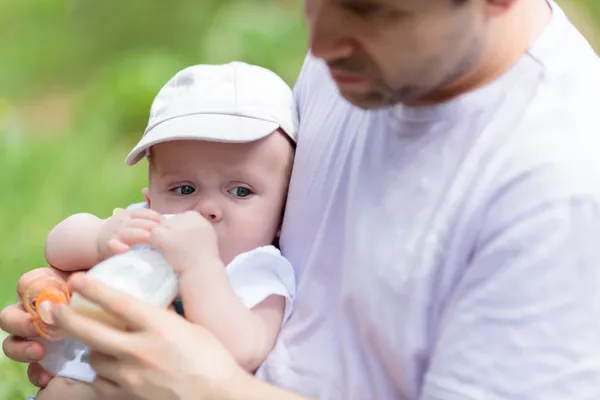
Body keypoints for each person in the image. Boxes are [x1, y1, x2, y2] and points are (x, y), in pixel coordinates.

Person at [3, 0, 600, 398]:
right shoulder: (363, 62)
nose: (320, 41)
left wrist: (211, 389)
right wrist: (100, 294)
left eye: (372, 9)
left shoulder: (559, 192)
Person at [20, 61, 298, 400]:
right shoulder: (148, 229)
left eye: (240, 191)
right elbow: (58, 246)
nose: (206, 208)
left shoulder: (259, 270)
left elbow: (245, 349)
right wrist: (100, 237)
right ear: (151, 198)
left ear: (283, 214)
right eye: (184, 189)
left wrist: (199, 267)